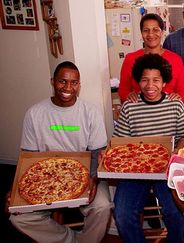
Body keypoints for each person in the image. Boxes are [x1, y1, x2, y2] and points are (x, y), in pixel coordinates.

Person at [8, 61, 112, 243]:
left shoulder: (90, 112)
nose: (68, 87)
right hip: (45, 178)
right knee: (18, 217)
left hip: (85, 173)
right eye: (62, 81)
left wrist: (93, 179)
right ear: (52, 81)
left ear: (79, 85)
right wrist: (15, 190)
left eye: (73, 83)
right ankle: (70, 239)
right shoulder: (35, 113)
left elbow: (97, 153)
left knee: (102, 206)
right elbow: (28, 157)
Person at [113, 53, 184, 243]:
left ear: (164, 82)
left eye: (156, 80)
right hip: (135, 170)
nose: (150, 86)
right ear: (138, 82)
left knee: (176, 214)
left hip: (166, 170)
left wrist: (175, 153)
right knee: (123, 215)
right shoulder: (130, 106)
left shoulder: (175, 104)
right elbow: (119, 143)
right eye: (144, 80)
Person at [118, 13, 184, 103]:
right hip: (140, 112)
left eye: (156, 30)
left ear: (162, 32)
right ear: (141, 33)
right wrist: (128, 95)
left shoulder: (176, 59)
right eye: (146, 30)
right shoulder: (130, 59)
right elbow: (123, 90)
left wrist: (178, 97)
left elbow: (182, 91)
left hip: (168, 112)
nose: (151, 34)